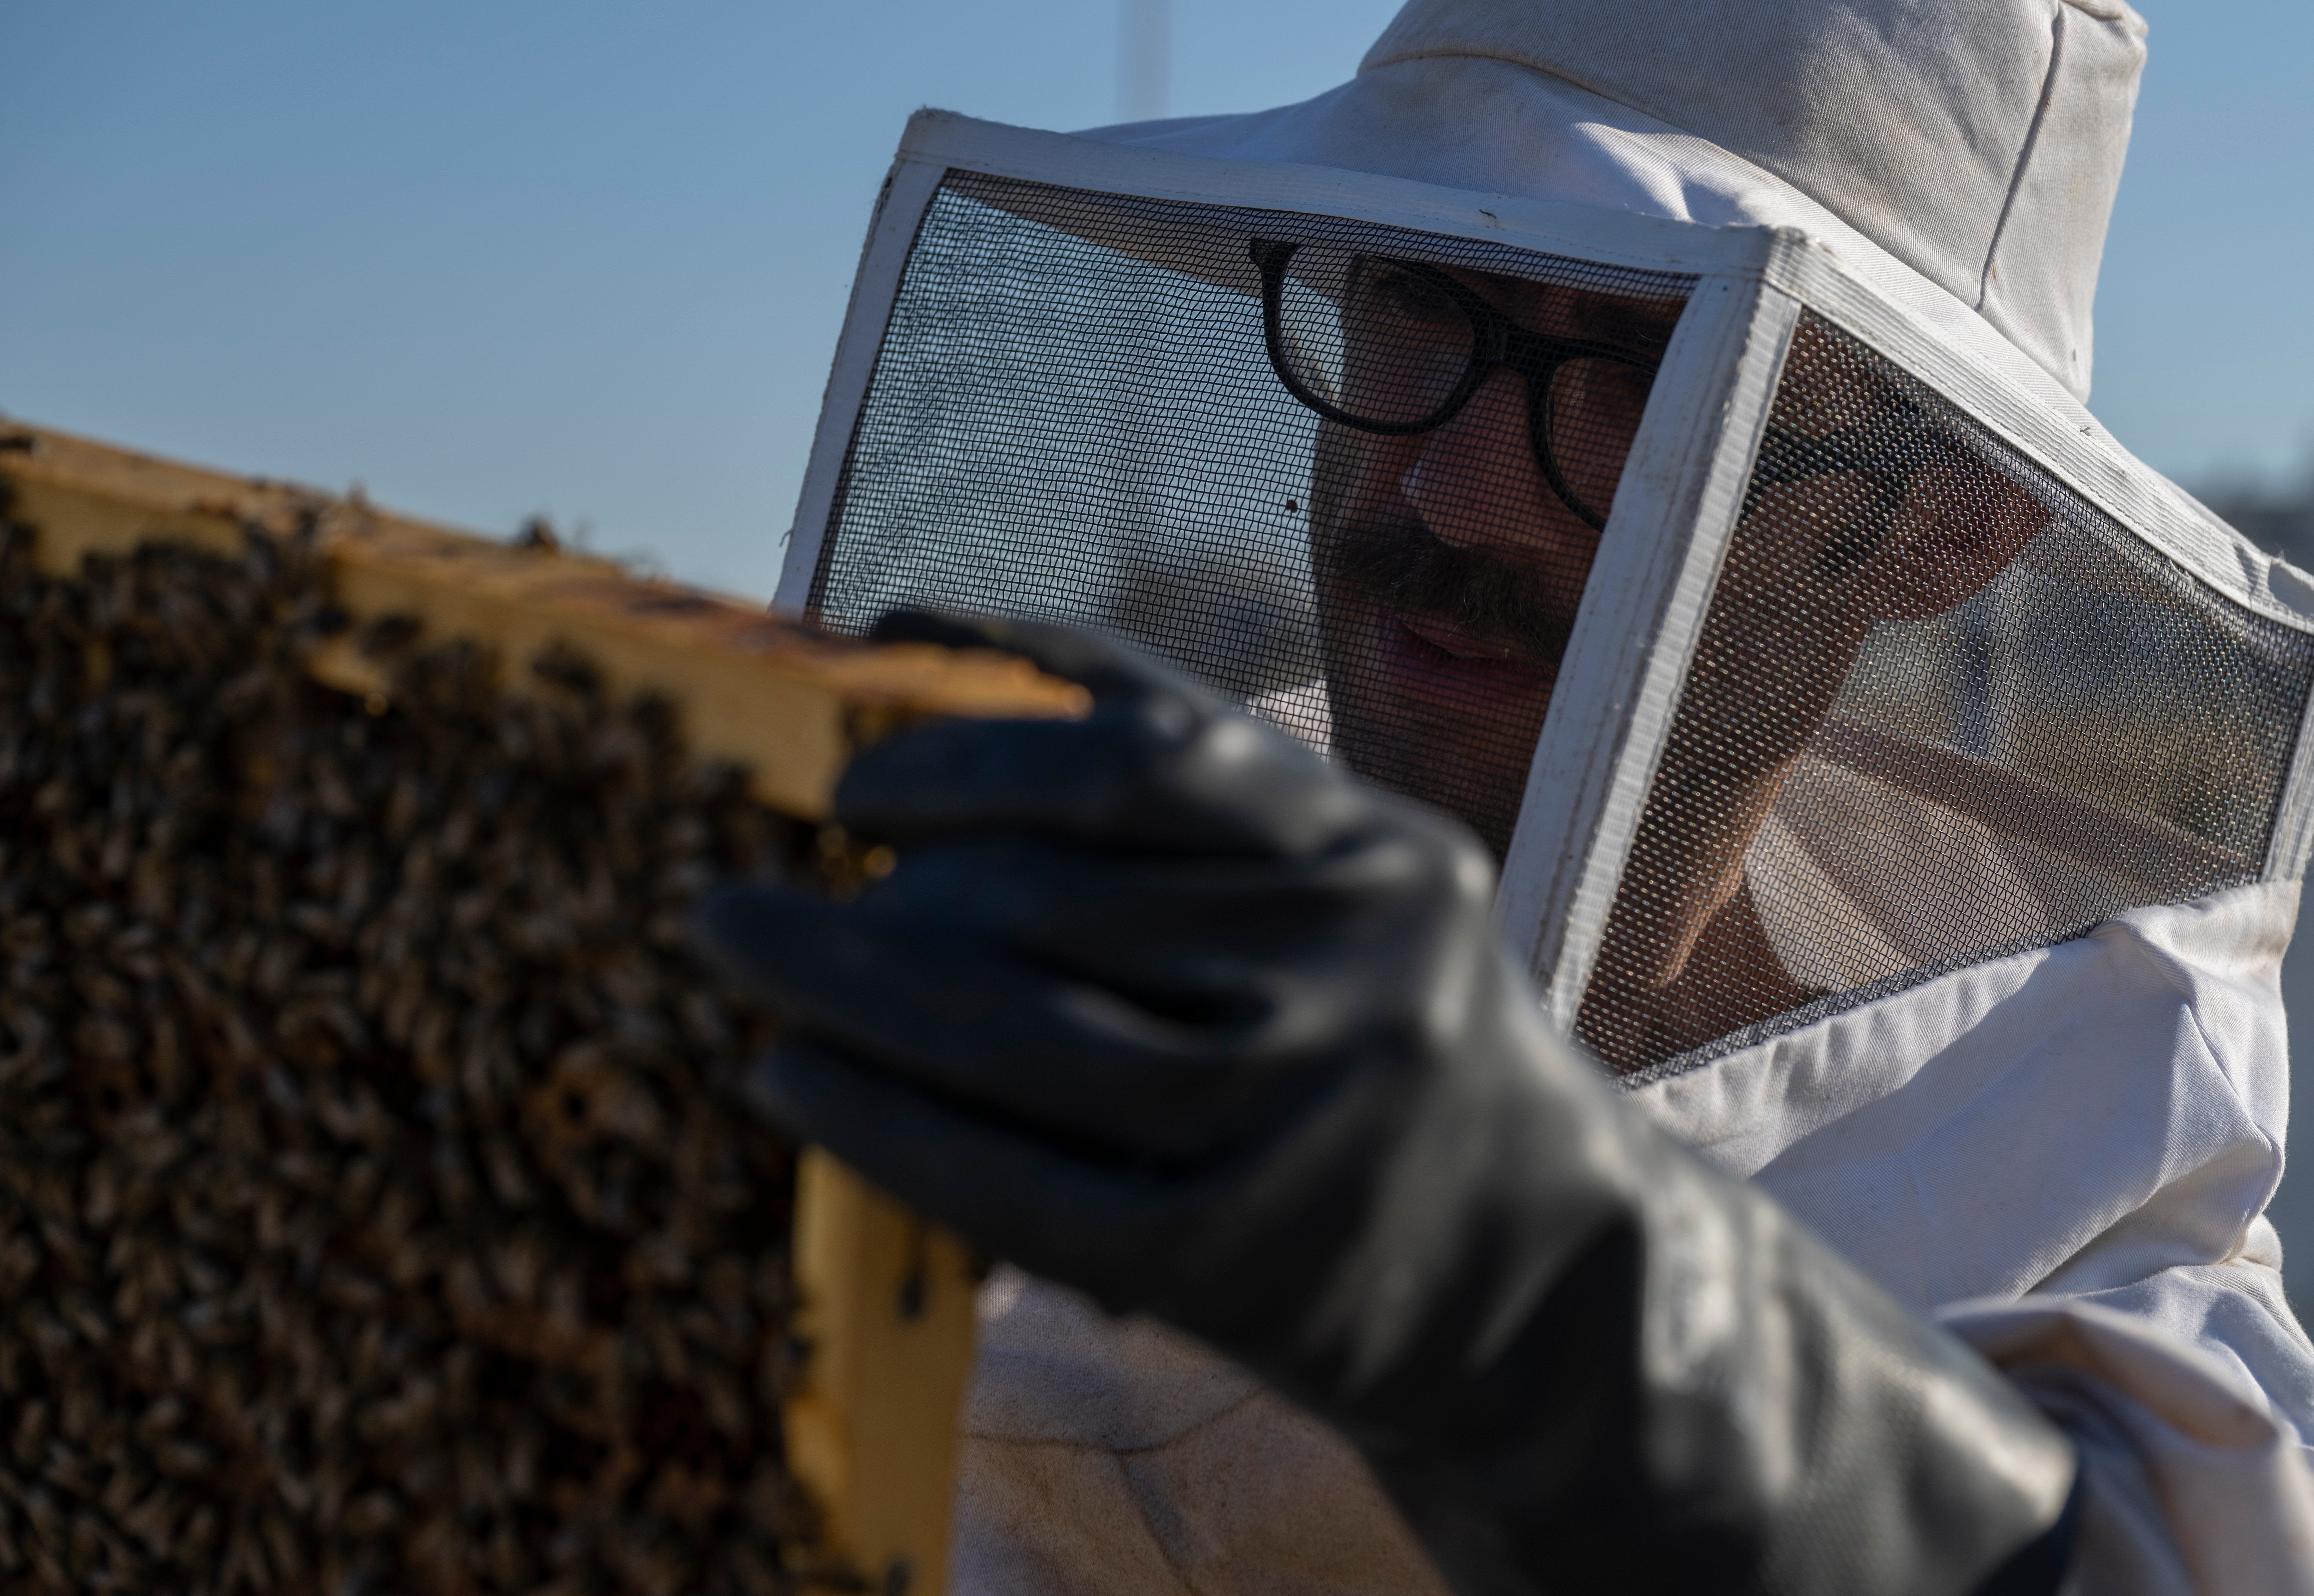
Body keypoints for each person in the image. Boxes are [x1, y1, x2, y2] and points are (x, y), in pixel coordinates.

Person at [706, 2, 2314, 1591]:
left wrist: (1534, 1296)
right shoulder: (1035, 952)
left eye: (1650, 367)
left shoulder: (2103, 1253)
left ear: (1952, 522)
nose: (1450, 491)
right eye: (1422, 294)